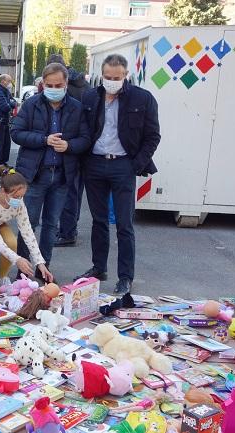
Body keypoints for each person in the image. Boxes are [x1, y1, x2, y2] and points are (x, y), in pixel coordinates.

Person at [78, 54, 160, 294]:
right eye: (107, 77)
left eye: (117, 78)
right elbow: (84, 130)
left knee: (124, 224)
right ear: (100, 75)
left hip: (123, 165)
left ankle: (125, 277)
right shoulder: (91, 96)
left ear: (126, 76)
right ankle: (98, 268)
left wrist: (135, 165)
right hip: (94, 164)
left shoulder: (142, 99)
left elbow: (153, 136)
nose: (111, 81)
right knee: (98, 221)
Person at [11, 63, 89, 281]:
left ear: (66, 84)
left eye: (59, 85)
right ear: (42, 84)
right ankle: (23, 270)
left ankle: (44, 268)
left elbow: (85, 139)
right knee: (29, 223)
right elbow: (16, 132)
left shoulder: (76, 107)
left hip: (62, 176)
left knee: (51, 225)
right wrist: (44, 140)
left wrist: (70, 146)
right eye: (50, 84)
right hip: (34, 175)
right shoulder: (31, 104)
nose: (54, 88)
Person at [0, 169, 54, 286]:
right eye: (16, 196)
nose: (19, 200)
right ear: (3, 191)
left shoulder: (18, 203)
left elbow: (27, 232)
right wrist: (17, 259)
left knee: (12, 242)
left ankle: (2, 276)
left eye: (21, 196)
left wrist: (40, 263)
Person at [46, 54, 91, 247]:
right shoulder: (84, 85)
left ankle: (66, 232)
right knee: (73, 192)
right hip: (79, 149)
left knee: (67, 193)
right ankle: (69, 228)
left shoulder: (67, 91)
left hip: (67, 147)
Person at [0, 74, 17, 175]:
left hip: (5, 122)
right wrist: (10, 103)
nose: (10, 84)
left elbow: (13, 102)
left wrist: (10, 103)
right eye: (9, 81)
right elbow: (5, 107)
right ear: (3, 81)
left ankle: (3, 162)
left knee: (6, 144)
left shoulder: (6, 91)